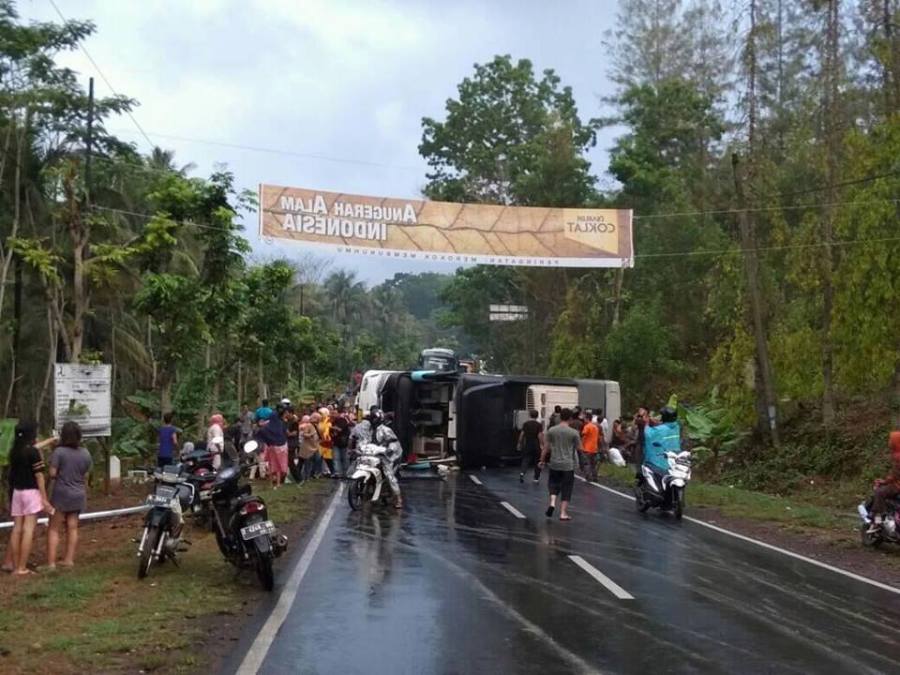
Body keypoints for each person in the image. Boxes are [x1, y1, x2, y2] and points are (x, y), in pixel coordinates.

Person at [6, 422, 54, 575]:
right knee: (28, 530)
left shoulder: (14, 452)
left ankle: (15, 567)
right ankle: (22, 567)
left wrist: (50, 440)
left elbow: (33, 448)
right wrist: (44, 499)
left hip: (17, 493)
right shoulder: (33, 453)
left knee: (17, 529)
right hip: (31, 493)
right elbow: (39, 476)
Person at [46, 421, 93, 570]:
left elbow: (52, 473)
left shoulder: (59, 452)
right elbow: (86, 473)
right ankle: (69, 560)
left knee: (54, 528)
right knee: (72, 527)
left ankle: (51, 563)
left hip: (62, 494)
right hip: (78, 493)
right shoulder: (85, 453)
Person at [539, 408, 582, 521]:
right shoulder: (574, 432)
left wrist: (541, 460)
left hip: (554, 463)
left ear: (560, 417)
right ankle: (563, 513)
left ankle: (552, 502)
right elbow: (579, 449)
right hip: (568, 465)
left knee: (553, 484)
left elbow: (546, 448)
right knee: (566, 488)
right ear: (570, 418)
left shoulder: (552, 430)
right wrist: (581, 463)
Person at [869, 430, 900, 534]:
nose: (889, 443)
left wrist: (884, 482)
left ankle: (878, 521)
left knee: (879, 492)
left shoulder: (898, 456)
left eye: (891, 440)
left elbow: (896, 475)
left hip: (897, 486)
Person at [375, 415, 403, 509]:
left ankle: (398, 499)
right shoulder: (372, 429)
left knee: (389, 475)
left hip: (393, 454)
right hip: (381, 452)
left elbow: (393, 442)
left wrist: (386, 448)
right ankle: (384, 493)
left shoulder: (386, 430)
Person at [257, 409, 288, 488]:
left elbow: (261, 433)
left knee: (271, 465)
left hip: (271, 447)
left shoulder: (267, 426)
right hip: (281, 447)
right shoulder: (281, 424)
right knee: (278, 466)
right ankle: (278, 483)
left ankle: (271, 484)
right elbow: (284, 434)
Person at [517, 410, 544, 483]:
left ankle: (522, 472)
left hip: (528, 443)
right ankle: (536, 478)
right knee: (537, 461)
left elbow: (522, 434)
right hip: (536, 444)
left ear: (530, 415)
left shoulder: (526, 424)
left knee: (526, 459)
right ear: (537, 416)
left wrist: (519, 443)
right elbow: (540, 435)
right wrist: (542, 444)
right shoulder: (539, 425)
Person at [330, 408, 351, 478]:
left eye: (334, 413)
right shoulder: (333, 422)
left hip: (343, 443)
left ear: (338, 413)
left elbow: (339, 429)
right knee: (336, 458)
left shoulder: (342, 420)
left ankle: (346, 473)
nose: (333, 415)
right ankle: (338, 473)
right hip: (336, 442)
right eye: (332, 413)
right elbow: (332, 432)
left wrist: (332, 427)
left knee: (344, 458)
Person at [299, 414, 320, 481]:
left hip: (315, 446)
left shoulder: (316, 426)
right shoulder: (308, 425)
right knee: (307, 462)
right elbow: (304, 434)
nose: (318, 420)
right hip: (308, 447)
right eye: (317, 418)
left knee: (317, 459)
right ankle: (306, 477)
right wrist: (311, 435)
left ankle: (312, 474)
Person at [580, 414, 600, 482]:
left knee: (586, 464)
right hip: (594, 448)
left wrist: (581, 444)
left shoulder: (587, 426)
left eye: (585, 418)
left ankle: (588, 477)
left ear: (587, 419)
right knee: (593, 464)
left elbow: (583, 435)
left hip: (587, 448)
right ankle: (595, 477)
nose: (584, 420)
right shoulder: (595, 427)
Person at [316, 408, 334, 476]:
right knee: (318, 458)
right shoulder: (319, 421)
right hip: (320, 442)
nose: (319, 415)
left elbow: (327, 430)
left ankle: (332, 472)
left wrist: (324, 437)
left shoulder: (328, 421)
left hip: (327, 442)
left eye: (321, 413)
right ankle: (318, 472)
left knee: (328, 458)